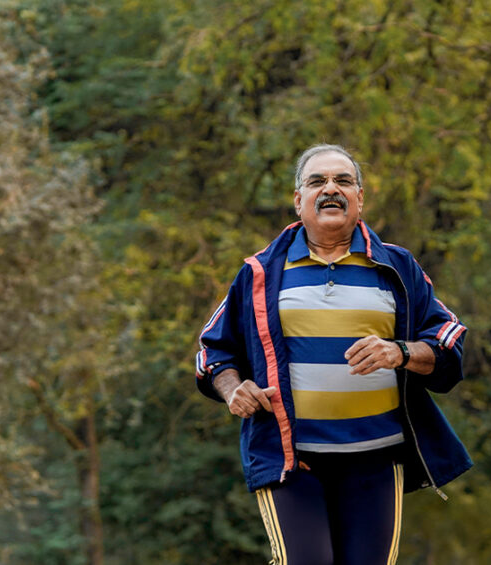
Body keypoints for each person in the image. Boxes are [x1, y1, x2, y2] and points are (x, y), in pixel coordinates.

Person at [195, 144, 471, 565]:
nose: (331, 189)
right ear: (298, 200)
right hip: (292, 460)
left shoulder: (397, 267)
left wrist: (400, 351)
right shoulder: (260, 273)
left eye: (343, 181)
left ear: (360, 198)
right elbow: (213, 349)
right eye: (317, 181)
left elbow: (449, 341)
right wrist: (233, 389)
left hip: (377, 460)